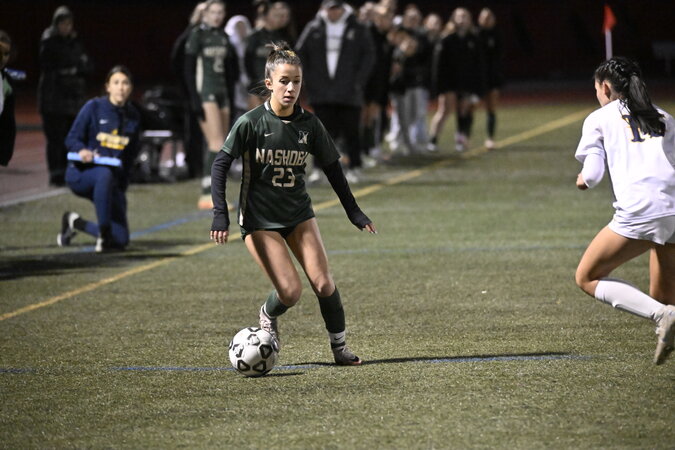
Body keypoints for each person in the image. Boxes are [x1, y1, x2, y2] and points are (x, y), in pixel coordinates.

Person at [210, 42, 377, 366]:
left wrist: (354, 212)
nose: (291, 88)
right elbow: (220, 165)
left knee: (324, 283)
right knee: (290, 292)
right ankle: (267, 313)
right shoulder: (251, 122)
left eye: (296, 81)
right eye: (284, 81)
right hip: (260, 221)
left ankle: (339, 348)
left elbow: (333, 169)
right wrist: (221, 215)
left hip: (299, 215)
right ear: (269, 83)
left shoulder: (309, 125)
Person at [574, 57, 675, 365]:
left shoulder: (599, 118)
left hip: (641, 211)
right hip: (673, 209)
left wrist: (582, 179)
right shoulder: (664, 116)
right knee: (663, 295)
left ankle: (663, 315)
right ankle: (666, 315)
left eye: (596, 88)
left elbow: (592, 175)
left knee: (587, 277)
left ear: (605, 87)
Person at [57, 65, 141, 253]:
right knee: (104, 174)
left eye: (125, 83)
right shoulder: (93, 107)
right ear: (107, 87)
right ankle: (103, 234)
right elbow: (71, 139)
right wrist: (82, 150)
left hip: (111, 180)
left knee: (121, 239)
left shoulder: (133, 116)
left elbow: (129, 157)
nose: (121, 88)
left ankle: (74, 222)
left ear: (131, 88)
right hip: (82, 174)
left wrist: (121, 188)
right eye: (116, 83)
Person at [296, 0, 375, 184]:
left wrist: (358, 81)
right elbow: (300, 53)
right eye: (329, 9)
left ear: (342, 9)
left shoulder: (357, 27)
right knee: (320, 133)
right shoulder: (314, 27)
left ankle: (354, 167)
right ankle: (318, 169)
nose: (332, 12)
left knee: (351, 131)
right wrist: (310, 79)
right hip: (322, 91)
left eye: (336, 8)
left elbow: (369, 55)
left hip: (349, 91)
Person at [183, 0, 239, 210]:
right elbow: (188, 70)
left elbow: (231, 69)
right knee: (216, 143)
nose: (217, 16)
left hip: (222, 92)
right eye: (213, 12)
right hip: (206, 93)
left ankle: (213, 191)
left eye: (220, 12)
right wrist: (194, 99)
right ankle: (209, 194)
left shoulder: (222, 36)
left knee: (222, 145)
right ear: (204, 14)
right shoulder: (197, 34)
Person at [38, 6, 92, 186]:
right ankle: (56, 175)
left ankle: (69, 172)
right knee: (56, 139)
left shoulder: (75, 42)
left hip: (72, 100)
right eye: (63, 24)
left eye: (69, 24)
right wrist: (73, 67)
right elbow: (57, 62)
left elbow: (87, 65)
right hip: (53, 101)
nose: (66, 27)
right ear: (56, 24)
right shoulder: (49, 41)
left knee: (71, 138)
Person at [429, 8, 484, 152]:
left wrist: (477, 86)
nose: (462, 20)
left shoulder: (473, 39)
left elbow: (478, 64)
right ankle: (433, 139)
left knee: (463, 111)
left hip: (466, 82)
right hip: (449, 82)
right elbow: (439, 65)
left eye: (465, 16)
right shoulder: (447, 39)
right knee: (445, 110)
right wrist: (438, 86)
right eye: (459, 16)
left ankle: (460, 139)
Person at [170, 1, 207, 179]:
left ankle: (209, 167)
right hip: (192, 92)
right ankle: (195, 167)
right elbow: (177, 63)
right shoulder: (189, 36)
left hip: (212, 90)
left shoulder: (216, 36)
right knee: (194, 130)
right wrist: (188, 89)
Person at [244, 1, 294, 109]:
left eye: (282, 15)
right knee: (255, 118)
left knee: (275, 118)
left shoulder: (284, 37)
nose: (279, 18)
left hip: (277, 87)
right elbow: (248, 63)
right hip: (256, 86)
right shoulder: (255, 36)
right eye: (276, 15)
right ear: (265, 16)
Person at [477, 7, 503, 150]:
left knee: (491, 107)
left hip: (492, 77)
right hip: (477, 77)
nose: (487, 20)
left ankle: (490, 138)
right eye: (484, 18)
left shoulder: (497, 35)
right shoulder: (475, 35)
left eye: (489, 17)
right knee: (469, 106)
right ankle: (463, 137)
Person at [0, 30, 16, 167]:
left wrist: (6, 151)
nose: (3, 58)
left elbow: (8, 120)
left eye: (6, 54)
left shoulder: (7, 81)